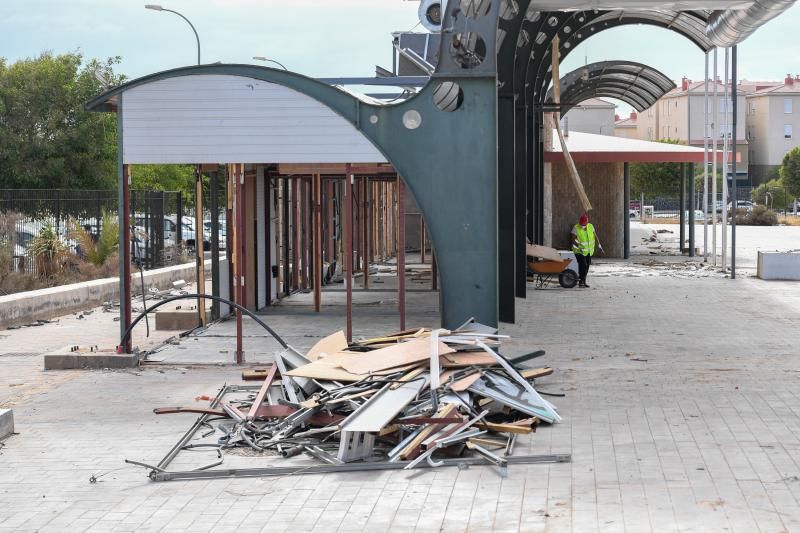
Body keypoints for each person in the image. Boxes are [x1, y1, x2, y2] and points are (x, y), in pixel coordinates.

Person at [571, 213, 603, 288]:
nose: (582, 225)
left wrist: (599, 245)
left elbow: (595, 236)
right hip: (579, 251)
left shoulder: (590, 226)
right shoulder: (576, 228)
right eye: (581, 224)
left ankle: (583, 281)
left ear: (587, 222)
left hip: (588, 251)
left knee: (587, 265)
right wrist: (579, 246)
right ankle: (581, 281)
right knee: (583, 265)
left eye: (584, 224)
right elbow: (572, 240)